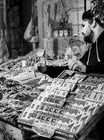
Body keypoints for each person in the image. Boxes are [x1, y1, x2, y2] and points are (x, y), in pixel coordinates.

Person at [34, 9, 104, 139]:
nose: (82, 30)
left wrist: (87, 69)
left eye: (83, 25)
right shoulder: (92, 48)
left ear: (93, 23)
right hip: (91, 111)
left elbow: (87, 68)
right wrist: (47, 69)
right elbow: (71, 70)